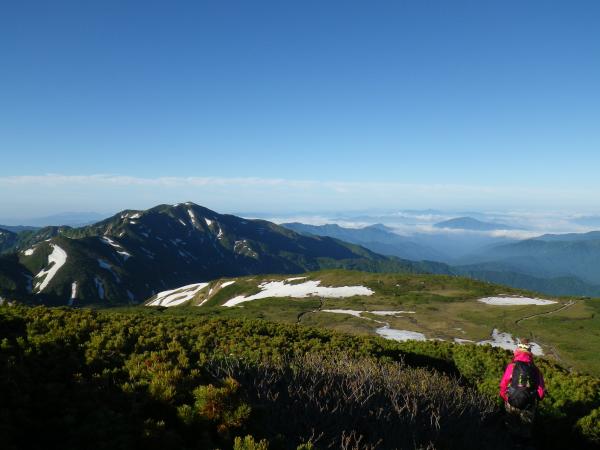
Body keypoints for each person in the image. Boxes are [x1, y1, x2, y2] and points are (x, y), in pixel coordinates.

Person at [499, 339, 545, 440]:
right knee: (525, 430)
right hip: (529, 404)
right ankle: (523, 444)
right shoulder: (536, 370)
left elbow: (503, 385)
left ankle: (509, 443)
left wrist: (506, 398)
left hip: (512, 401)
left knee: (511, 426)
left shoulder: (512, 366)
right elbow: (541, 393)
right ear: (530, 353)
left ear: (517, 351)